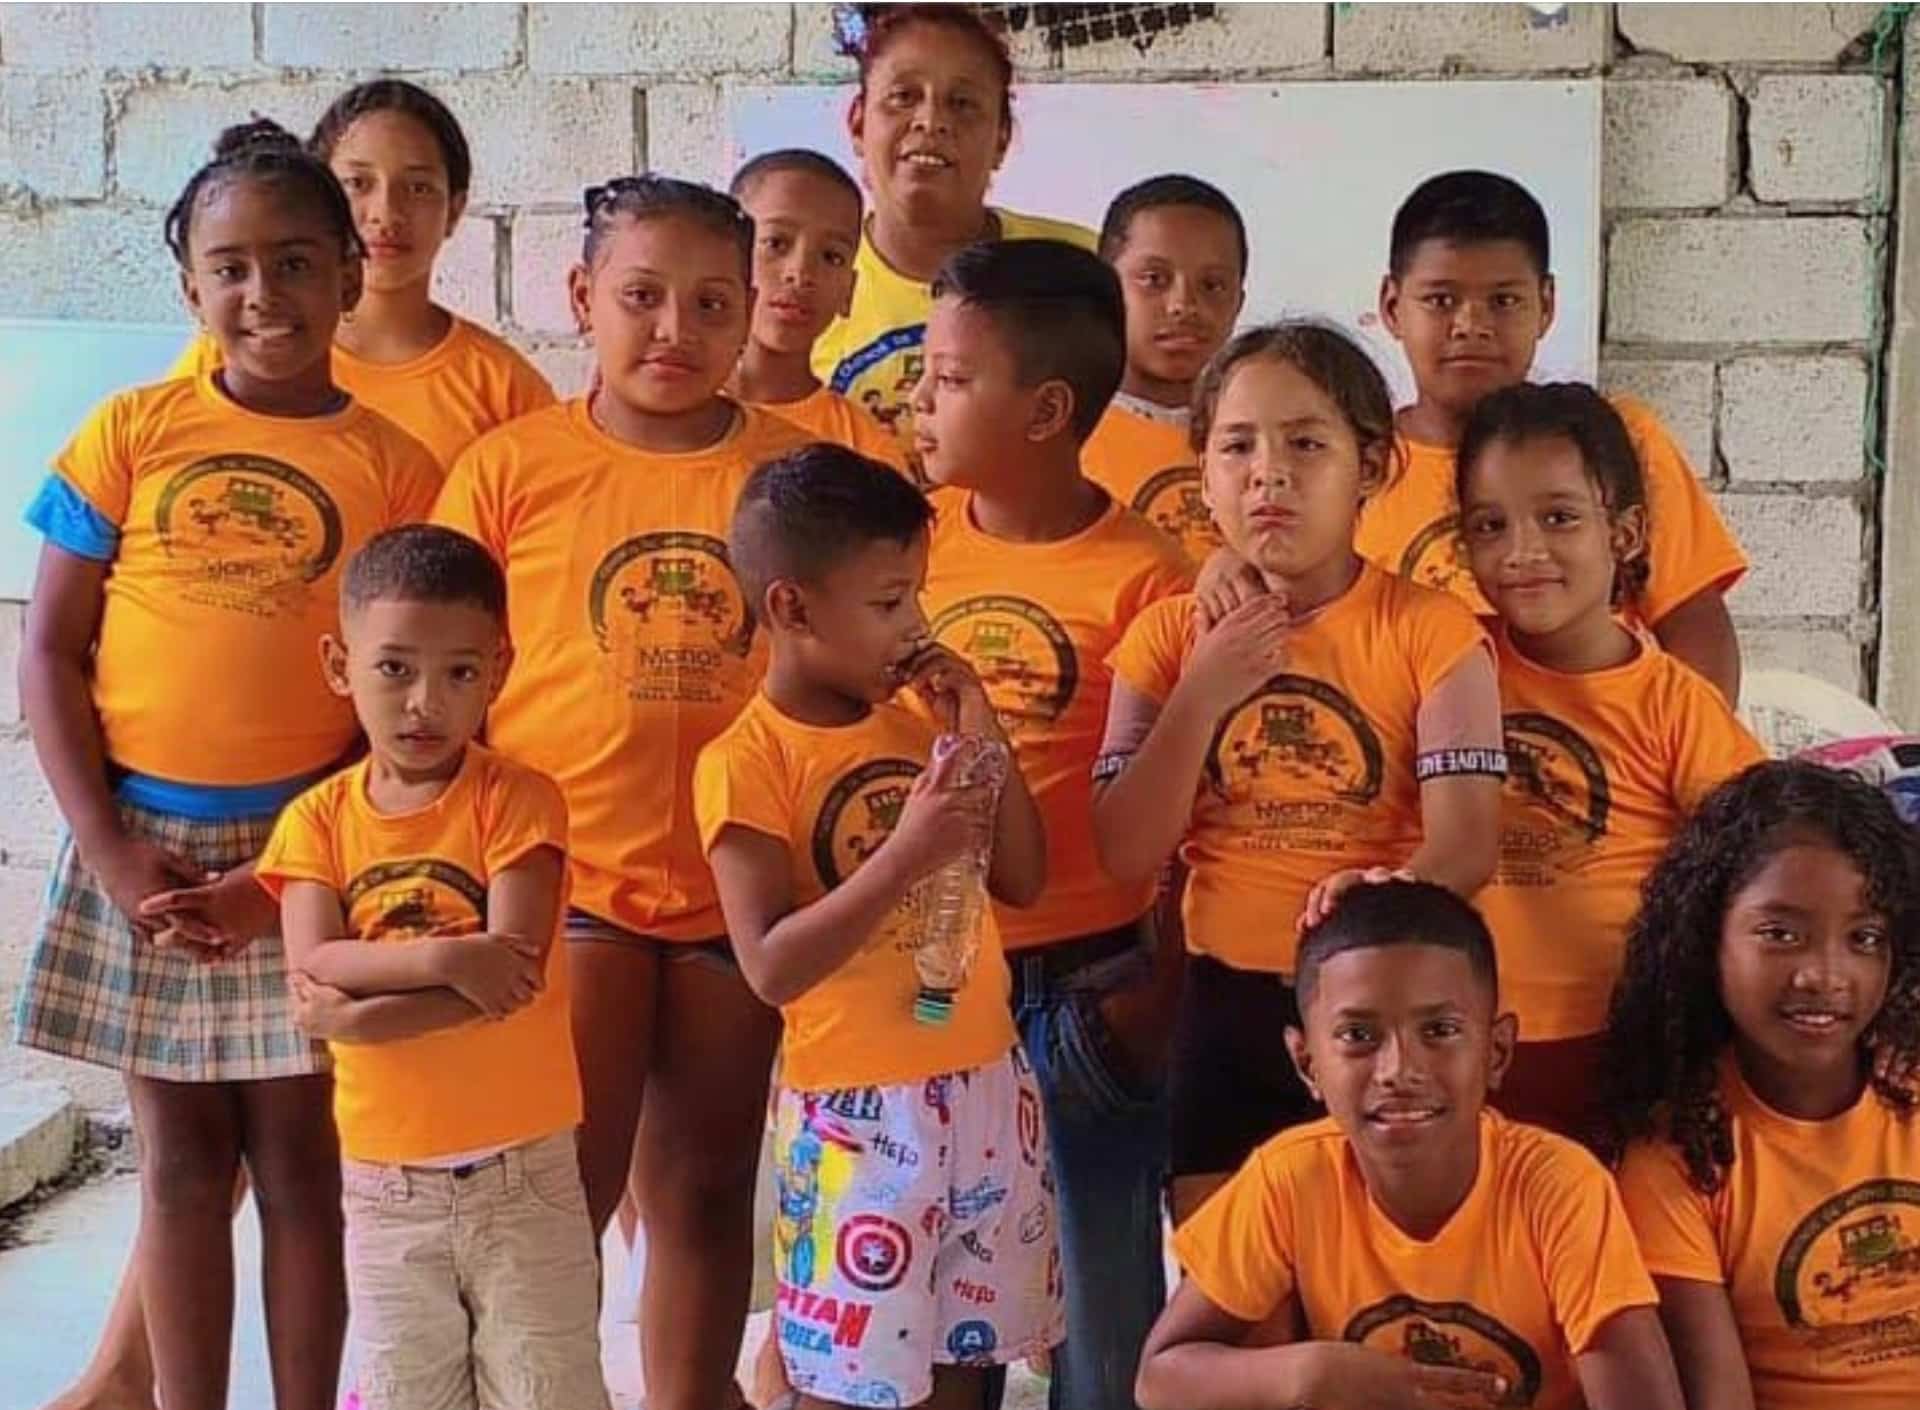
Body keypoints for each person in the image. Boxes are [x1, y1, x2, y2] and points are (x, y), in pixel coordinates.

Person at [13, 120, 442, 1410]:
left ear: (349, 275)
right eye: (233, 267)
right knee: (182, 1168)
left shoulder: (395, 469)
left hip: (303, 854)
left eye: (298, 262)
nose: (266, 293)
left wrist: (291, 873)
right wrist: (108, 849)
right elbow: (49, 653)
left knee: (302, 1168)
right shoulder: (129, 433)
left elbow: (400, 698)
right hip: (143, 852)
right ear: (190, 284)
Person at [432, 173, 813, 1410]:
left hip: (740, 891)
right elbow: (444, 669)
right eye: (642, 296)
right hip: (565, 889)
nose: (674, 330)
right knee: (560, 1198)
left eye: (711, 304)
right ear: (581, 296)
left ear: (750, 308)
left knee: (706, 1189)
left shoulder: (795, 477)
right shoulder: (511, 470)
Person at [1091, 321, 1504, 1225]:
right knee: (1230, 1277)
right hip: (1226, 1007)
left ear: (1372, 467)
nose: (1267, 474)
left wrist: (1376, 899)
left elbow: (1469, 843)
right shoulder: (1167, 637)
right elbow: (1125, 850)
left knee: (1384, 1268)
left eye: (1307, 444)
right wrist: (1206, 687)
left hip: (1386, 1002)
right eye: (1237, 446)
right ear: (1203, 473)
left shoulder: (1430, 630)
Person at [697, 443, 1058, 1409]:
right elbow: (770, 966)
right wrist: (905, 855)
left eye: (917, 597)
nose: (916, 626)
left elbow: (1023, 876)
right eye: (890, 602)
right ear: (792, 609)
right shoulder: (745, 761)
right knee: (848, 1378)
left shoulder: (921, 725)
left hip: (984, 1081)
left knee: (967, 1364)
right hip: (857, 1118)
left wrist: (978, 723)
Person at [913, 237, 1193, 1409]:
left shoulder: (1149, 575)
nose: (920, 400)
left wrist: (1153, 991)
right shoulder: (910, 546)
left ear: (1045, 412)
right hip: (934, 984)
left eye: (949, 378)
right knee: (938, 1312)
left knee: (1101, 1318)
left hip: (1087, 992)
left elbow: (1184, 809)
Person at [255, 525, 606, 1410]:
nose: (425, 702)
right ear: (340, 665)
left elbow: (512, 976)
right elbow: (316, 960)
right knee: (407, 1392)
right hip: (386, 1182)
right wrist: (449, 955)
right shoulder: (315, 822)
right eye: (394, 668)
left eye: (460, 672)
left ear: (500, 670)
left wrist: (360, 1017)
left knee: (548, 1391)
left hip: (525, 1175)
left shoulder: (518, 802)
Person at [1135, 881, 1687, 1410]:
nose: (1398, 1070)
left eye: (1440, 1031)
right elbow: (1159, 1378)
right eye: (1358, 1036)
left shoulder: (1557, 1187)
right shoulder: (1292, 1177)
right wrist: (1315, 1373)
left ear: (1496, 1052)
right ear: (1307, 1064)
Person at [1456, 383, 1765, 1143]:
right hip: (1463, 1047)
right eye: (1490, 525)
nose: (1522, 552)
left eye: (1559, 518)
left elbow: (1764, 853)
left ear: (1624, 533)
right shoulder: (1445, 657)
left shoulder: (1673, 702)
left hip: (1625, 1045)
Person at [1362, 169, 1746, 701]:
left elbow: (1693, 624)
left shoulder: (1619, 439)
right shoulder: (1354, 466)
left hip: (1606, 744)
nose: (1471, 324)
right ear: (1391, 306)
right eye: (1441, 300)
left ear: (1545, 305)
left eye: (1504, 301)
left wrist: (1694, 746)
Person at [1609, 761, 1920, 1409]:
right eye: (1780, 934)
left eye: (1864, 937)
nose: (1824, 975)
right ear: (1706, 940)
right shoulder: (1676, 1158)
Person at [171, 80, 555, 471]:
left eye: (418, 187)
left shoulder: (504, 389)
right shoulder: (235, 356)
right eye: (357, 184)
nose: (386, 213)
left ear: (454, 210)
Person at [811, 3, 1093, 440]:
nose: (931, 121)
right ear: (858, 123)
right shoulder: (803, 281)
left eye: (962, 103)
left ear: (1001, 138)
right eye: (903, 96)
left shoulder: (1083, 271)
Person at [1083, 174, 1247, 562]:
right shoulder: (1061, 438)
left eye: (1212, 285)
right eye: (1154, 279)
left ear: (1238, 302)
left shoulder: (1273, 439)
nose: (1183, 305)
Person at [727, 148, 909, 473]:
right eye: (776, 243)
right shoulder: (670, 407)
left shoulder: (863, 448)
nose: (800, 273)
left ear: (848, 291)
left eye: (831, 257)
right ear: (725, 256)